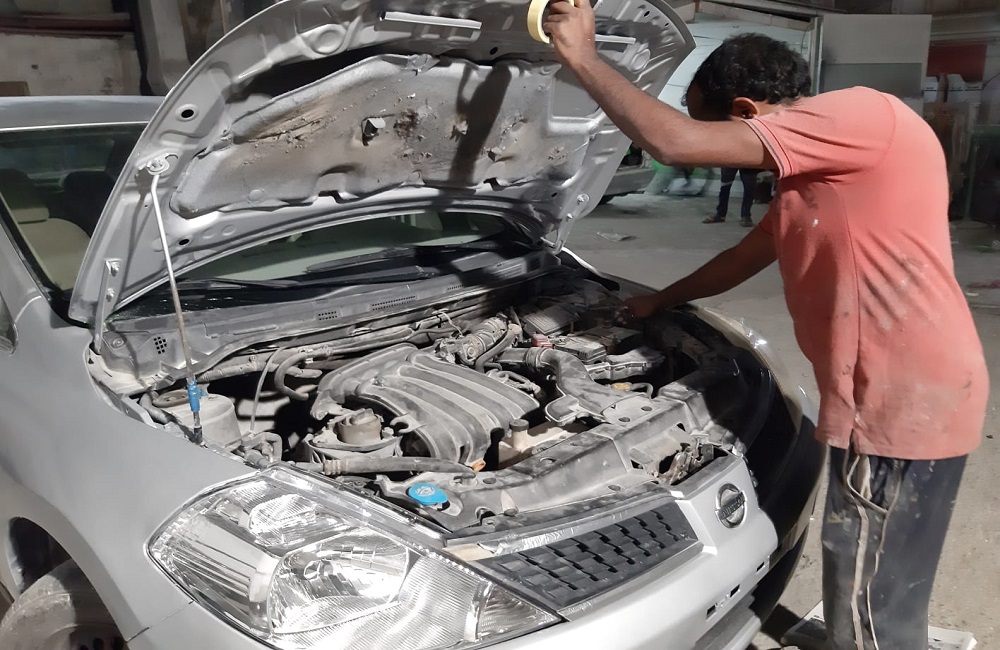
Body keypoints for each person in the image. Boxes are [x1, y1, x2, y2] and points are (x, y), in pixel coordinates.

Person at [544, 4, 988, 649]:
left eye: (719, 135)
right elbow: (740, 259)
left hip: (900, 395)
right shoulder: (817, 174)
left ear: (748, 111)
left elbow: (674, 142)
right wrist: (658, 301)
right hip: (906, 385)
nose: (726, 163)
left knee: (871, 584)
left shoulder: (860, 115)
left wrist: (582, 57)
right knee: (873, 559)